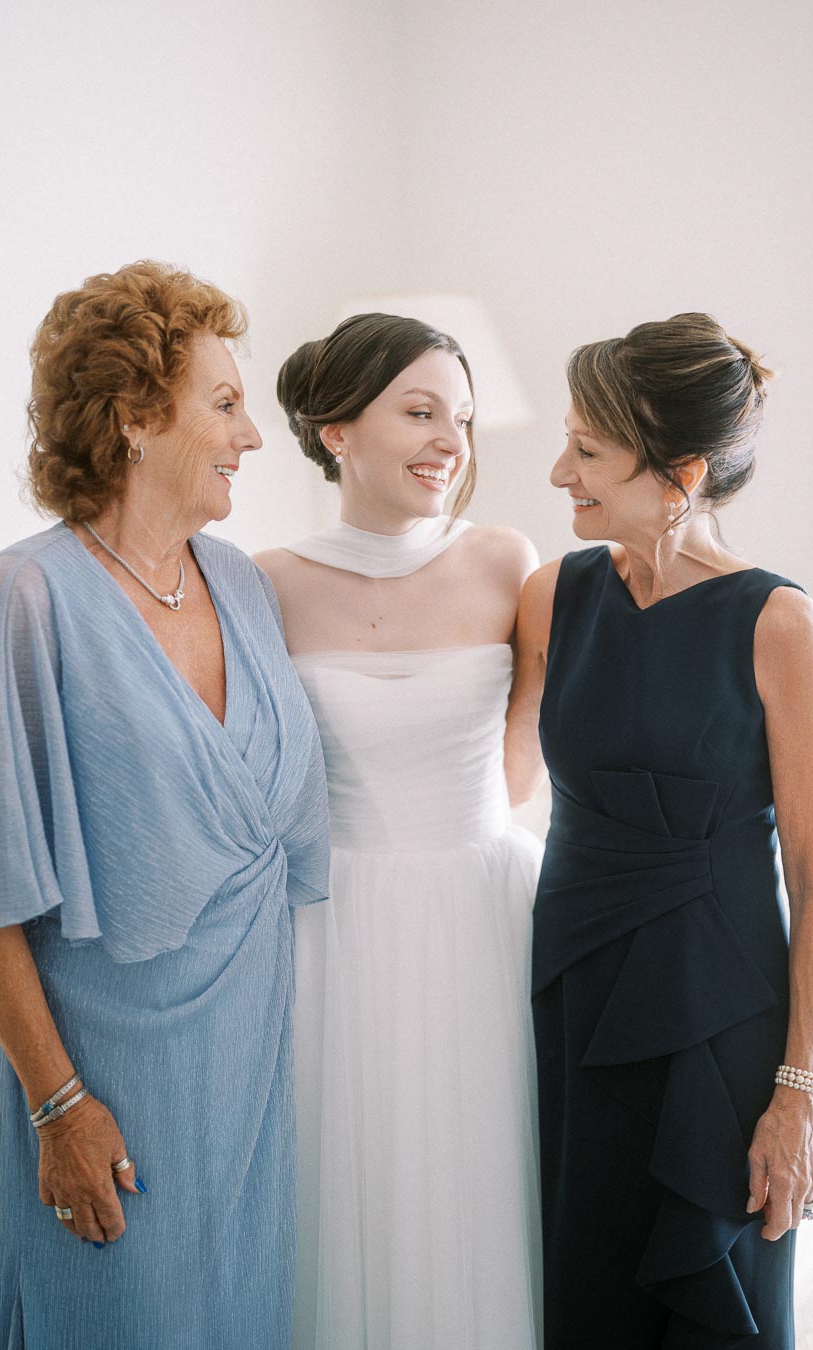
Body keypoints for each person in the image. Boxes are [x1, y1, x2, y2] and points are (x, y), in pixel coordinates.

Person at [0, 261, 329, 1350]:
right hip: (102, 1089)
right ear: (131, 418)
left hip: (250, 1087)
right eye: (224, 403)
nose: (252, 436)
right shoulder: (21, 600)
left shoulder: (246, 587)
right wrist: (60, 1108)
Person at [510, 312, 813, 1348]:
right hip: (579, 983)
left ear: (682, 471)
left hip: (721, 1004)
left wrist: (798, 1093)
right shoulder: (551, 594)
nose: (561, 471)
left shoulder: (777, 621)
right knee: (590, 1282)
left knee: (716, 1296)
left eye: (589, 450)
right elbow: (491, 775)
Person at [254, 312, 546, 1350]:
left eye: (461, 420)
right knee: (348, 1173)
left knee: (470, 1168)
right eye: (419, 412)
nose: (450, 443)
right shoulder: (263, 583)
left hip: (480, 909)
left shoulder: (511, 563)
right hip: (332, 925)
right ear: (337, 431)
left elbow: (528, 742)